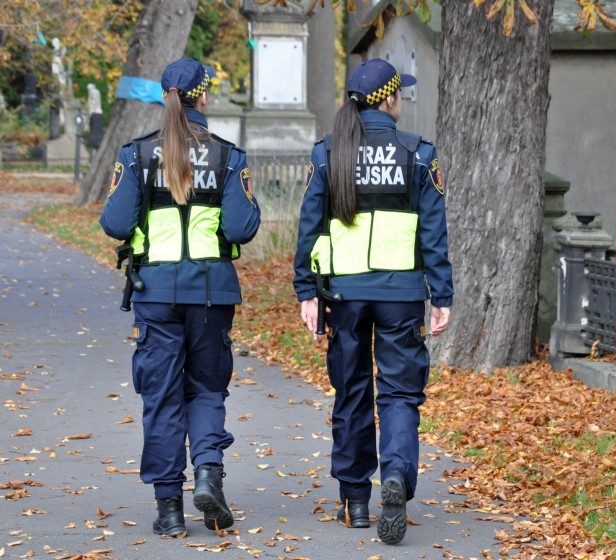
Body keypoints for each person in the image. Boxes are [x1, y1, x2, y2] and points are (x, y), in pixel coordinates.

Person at [293, 58, 453, 545]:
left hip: (344, 294)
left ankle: (355, 500)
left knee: (352, 391)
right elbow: (433, 232)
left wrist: (307, 290)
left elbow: (309, 226)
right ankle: (396, 475)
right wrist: (441, 294)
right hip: (401, 294)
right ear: (390, 100)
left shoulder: (328, 153)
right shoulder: (418, 154)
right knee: (400, 393)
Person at [100, 58, 261, 538]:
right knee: (207, 389)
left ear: (163, 96)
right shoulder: (228, 156)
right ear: (203, 96)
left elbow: (114, 222)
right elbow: (242, 229)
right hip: (211, 293)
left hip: (155, 294)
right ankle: (208, 474)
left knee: (162, 396)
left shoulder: (136, 154)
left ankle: (169, 509)